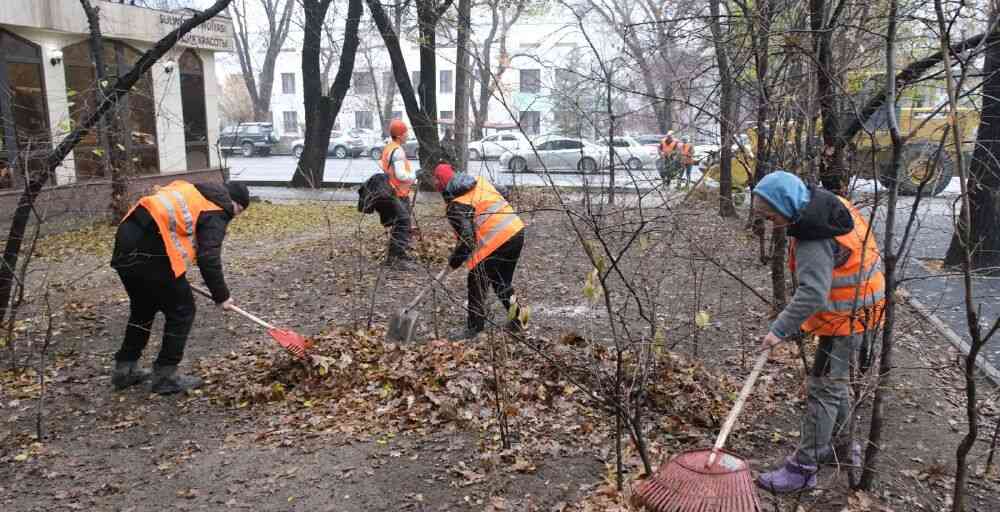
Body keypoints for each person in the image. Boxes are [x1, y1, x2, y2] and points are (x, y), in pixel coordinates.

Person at [752, 171, 885, 494]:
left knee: (822, 390)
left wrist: (779, 330)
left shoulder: (813, 237)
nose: (772, 224)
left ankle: (803, 468)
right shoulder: (831, 204)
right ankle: (841, 447)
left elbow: (813, 293)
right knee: (835, 385)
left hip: (845, 319)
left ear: (786, 204)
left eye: (772, 216)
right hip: (867, 308)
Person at [110, 180, 250, 395]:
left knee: (143, 309)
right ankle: (165, 376)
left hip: (126, 245)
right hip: (153, 255)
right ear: (235, 204)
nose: (234, 216)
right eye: (239, 211)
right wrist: (222, 296)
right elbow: (208, 258)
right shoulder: (217, 209)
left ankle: (124, 370)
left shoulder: (191, 190)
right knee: (183, 311)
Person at [431, 162, 526, 340]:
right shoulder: (478, 181)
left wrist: (454, 262)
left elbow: (467, 240)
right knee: (501, 281)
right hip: (516, 231)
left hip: (497, 241)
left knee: (475, 280)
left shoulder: (456, 205)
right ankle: (518, 320)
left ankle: (474, 329)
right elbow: (504, 192)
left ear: (442, 189)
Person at [378, 119, 417, 268]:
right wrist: (414, 176)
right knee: (402, 223)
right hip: (398, 193)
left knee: (400, 224)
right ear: (400, 135)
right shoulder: (398, 151)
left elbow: (383, 166)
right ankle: (397, 259)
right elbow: (401, 175)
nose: (408, 135)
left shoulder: (389, 147)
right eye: (406, 132)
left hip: (393, 191)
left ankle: (397, 255)